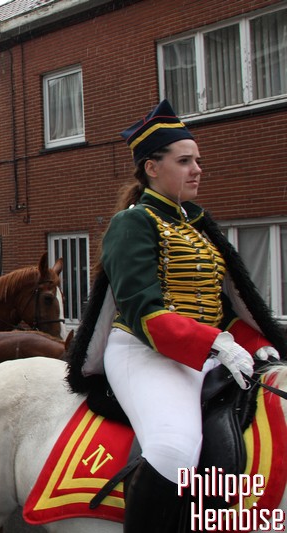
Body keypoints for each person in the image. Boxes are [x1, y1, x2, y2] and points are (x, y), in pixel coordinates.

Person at [65, 99, 285, 532]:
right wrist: (215, 343)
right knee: (174, 449)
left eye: (197, 161)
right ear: (151, 168)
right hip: (144, 352)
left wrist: (258, 344)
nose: (197, 169)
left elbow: (224, 310)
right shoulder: (133, 223)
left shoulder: (198, 227)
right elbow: (144, 312)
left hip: (204, 353)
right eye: (184, 161)